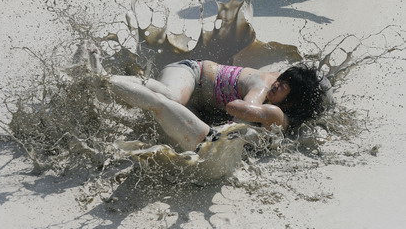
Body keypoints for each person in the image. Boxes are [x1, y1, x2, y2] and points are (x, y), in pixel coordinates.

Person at [109, 59, 325, 152]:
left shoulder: (280, 110)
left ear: (295, 100)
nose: (277, 84)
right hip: (192, 73)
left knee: (170, 118)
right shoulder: (263, 89)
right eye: (281, 80)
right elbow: (236, 107)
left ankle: (109, 86)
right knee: (171, 98)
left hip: (199, 106)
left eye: (284, 86)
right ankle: (107, 79)